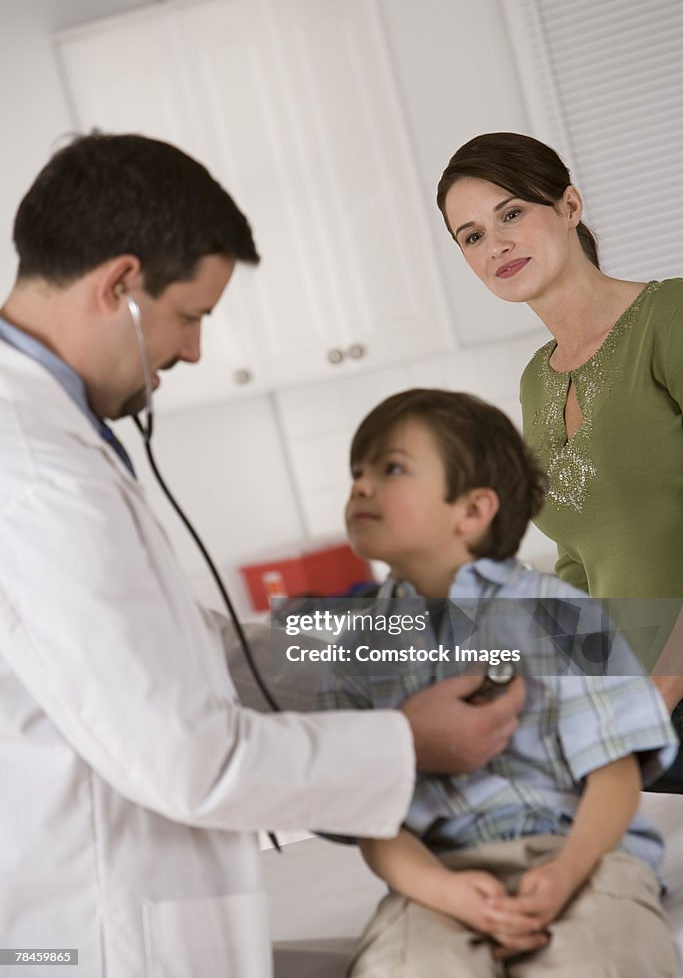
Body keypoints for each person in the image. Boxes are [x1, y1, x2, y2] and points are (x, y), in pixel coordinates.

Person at [0, 134, 526, 978]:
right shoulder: (33, 471)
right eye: (192, 316)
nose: (195, 351)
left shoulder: (48, 442)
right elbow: (186, 756)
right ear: (119, 288)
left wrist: (375, 652)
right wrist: (403, 741)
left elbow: (188, 649)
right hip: (89, 931)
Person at [318, 388, 679, 977]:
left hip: (584, 857)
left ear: (473, 510)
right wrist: (444, 892)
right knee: (403, 967)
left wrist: (566, 873)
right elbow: (372, 816)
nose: (360, 485)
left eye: (391, 468)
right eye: (358, 471)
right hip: (438, 877)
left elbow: (614, 772)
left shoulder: (559, 612)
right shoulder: (357, 650)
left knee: (597, 959)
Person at [436, 132, 683, 790]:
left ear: (569, 206)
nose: (496, 245)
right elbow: (581, 560)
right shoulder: (535, 379)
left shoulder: (670, 317)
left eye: (511, 214)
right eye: (471, 236)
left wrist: (665, 678)